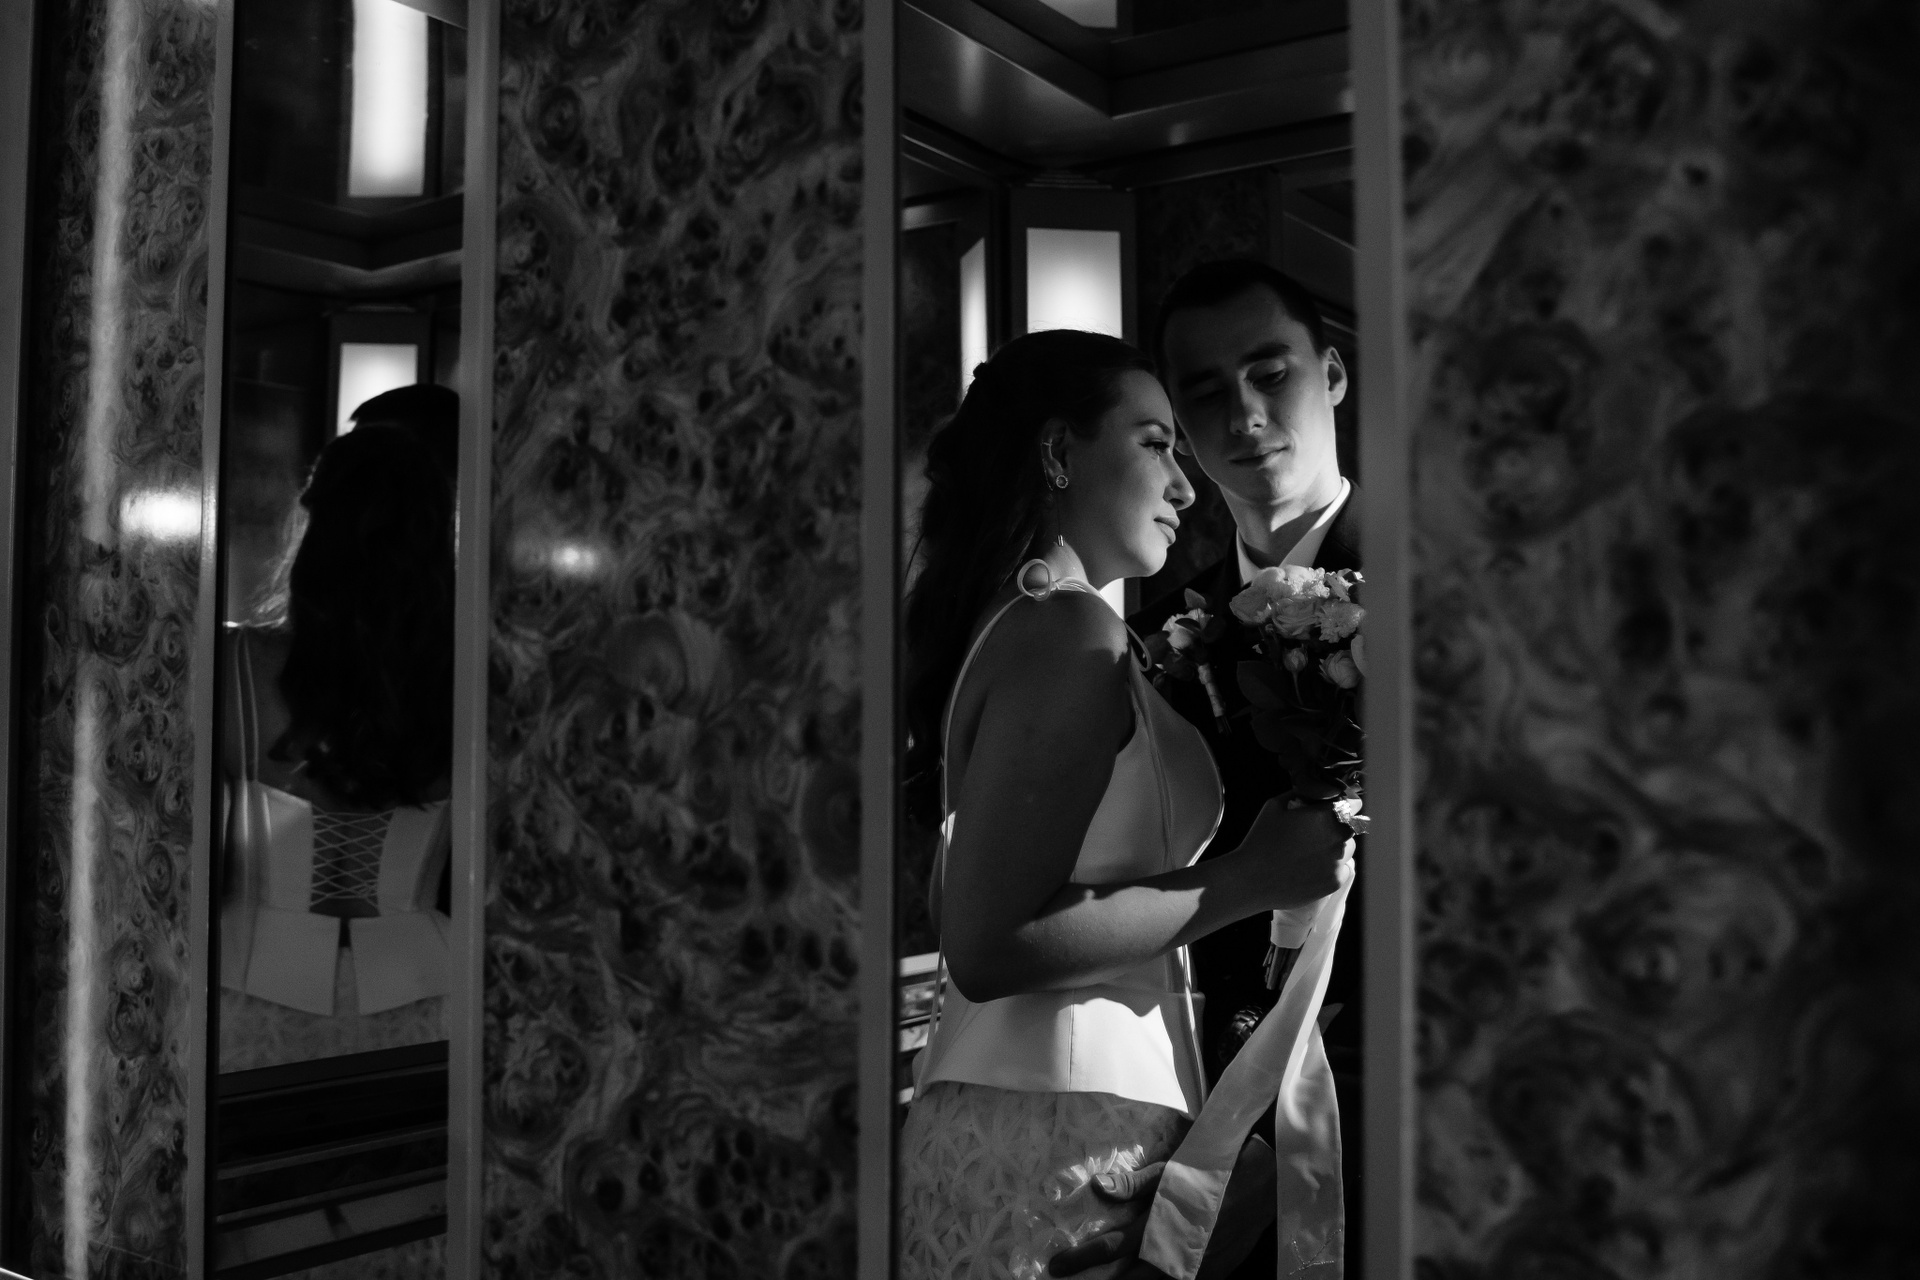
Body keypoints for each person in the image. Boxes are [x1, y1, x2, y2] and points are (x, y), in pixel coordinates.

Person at [896, 330, 1352, 1279]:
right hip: (1058, 1142)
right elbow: (985, 941)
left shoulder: (1029, 624)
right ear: (1060, 453)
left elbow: (955, 895)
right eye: (1154, 443)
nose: (1185, 487)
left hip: (1035, 1117)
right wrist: (1252, 877)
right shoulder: (1067, 631)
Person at [1050, 262, 1363, 1279]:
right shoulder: (1150, 635)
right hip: (1193, 1126)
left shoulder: (1451, 587)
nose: (1246, 413)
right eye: (1205, 391)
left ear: (1332, 375)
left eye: (1271, 373)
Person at [218, 384, 459, 1072]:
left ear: (315, 525)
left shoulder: (234, 663)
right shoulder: (474, 680)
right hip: (427, 1006)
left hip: (251, 1002)